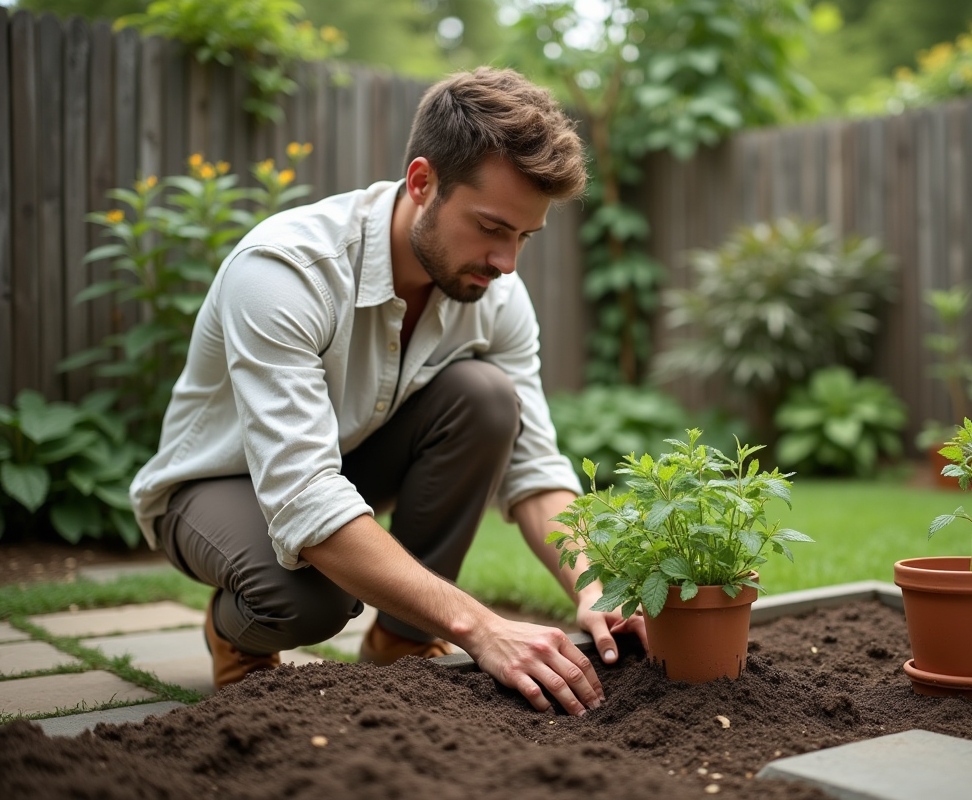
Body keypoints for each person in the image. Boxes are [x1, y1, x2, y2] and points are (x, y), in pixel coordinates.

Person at [129, 67, 646, 716]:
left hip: (342, 463)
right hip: (212, 486)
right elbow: (304, 497)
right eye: (491, 227)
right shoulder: (287, 270)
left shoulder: (494, 294)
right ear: (423, 183)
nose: (507, 262)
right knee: (308, 599)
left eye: (524, 237)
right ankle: (238, 634)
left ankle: (403, 639)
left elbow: (536, 468)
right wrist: (482, 629)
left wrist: (598, 584)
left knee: (487, 398)